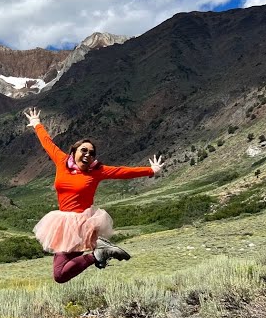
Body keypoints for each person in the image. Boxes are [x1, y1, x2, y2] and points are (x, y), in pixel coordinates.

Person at [23, 107, 164, 283]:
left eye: (91, 153)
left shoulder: (97, 172)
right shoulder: (61, 161)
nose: (88, 154)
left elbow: (123, 172)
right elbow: (47, 143)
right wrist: (37, 124)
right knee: (60, 274)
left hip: (82, 225)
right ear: (74, 152)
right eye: (84, 150)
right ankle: (99, 253)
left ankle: (97, 255)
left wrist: (151, 170)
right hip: (62, 224)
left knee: (59, 275)